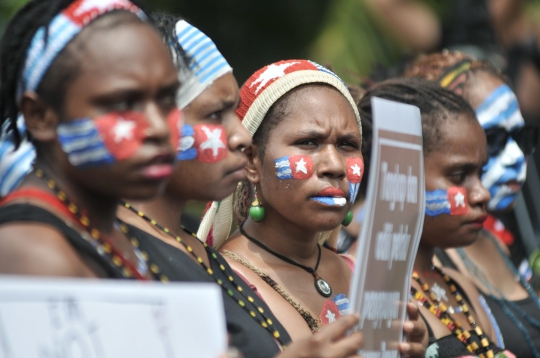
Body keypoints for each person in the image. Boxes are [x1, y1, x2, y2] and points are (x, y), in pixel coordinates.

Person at [117, 17, 366, 358]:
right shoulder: (112, 250)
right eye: (216, 115)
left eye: (349, 144)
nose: (239, 138)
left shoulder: (196, 254)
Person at [198, 59, 428, 357]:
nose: (335, 166)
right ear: (252, 161)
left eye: (347, 145)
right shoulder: (217, 283)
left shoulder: (367, 279)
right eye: (308, 142)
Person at [0, 0, 181, 279]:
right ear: (40, 117)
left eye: (167, 99)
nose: (158, 128)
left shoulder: (110, 232)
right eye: (123, 104)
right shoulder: (32, 252)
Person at [356, 77, 516, 357]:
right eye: (459, 176)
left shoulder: (459, 284)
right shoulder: (363, 288)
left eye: (479, 172)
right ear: (399, 173)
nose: (482, 194)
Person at [404, 51, 540, 357]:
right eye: (493, 140)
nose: (516, 157)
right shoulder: (421, 267)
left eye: (521, 138)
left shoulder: (494, 240)